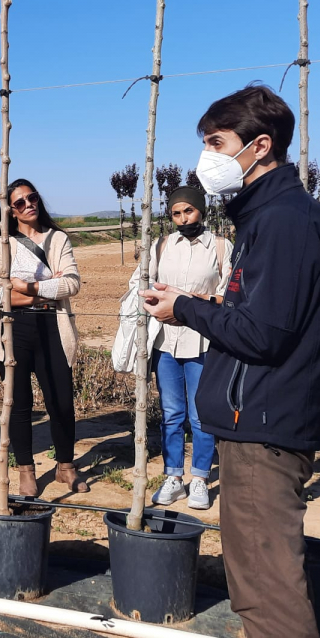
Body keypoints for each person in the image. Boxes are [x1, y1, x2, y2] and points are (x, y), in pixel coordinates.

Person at [142, 84, 320, 638]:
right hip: (248, 424)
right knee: (253, 583)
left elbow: (264, 334)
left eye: (216, 144)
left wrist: (186, 310)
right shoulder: (266, 220)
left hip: (264, 430)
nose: (207, 159)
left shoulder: (287, 223)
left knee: (273, 592)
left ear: (261, 147)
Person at [131, 186, 232, 511]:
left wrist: (190, 304)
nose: (183, 218)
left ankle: (200, 478)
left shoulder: (219, 246)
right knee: (172, 414)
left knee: (201, 415)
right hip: (165, 343)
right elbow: (139, 282)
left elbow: (229, 293)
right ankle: (174, 476)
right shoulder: (162, 246)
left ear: (201, 210)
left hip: (203, 341)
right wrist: (154, 301)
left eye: (188, 211)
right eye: (176, 213)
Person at [0, 179, 84, 498]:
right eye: (20, 203)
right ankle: (26, 470)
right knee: (19, 403)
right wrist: (41, 292)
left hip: (52, 327)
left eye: (32, 198)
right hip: (13, 329)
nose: (28, 205)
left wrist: (24, 287)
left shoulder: (58, 239)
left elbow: (71, 284)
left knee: (62, 402)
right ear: (10, 211)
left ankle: (65, 467)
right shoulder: (2, 244)